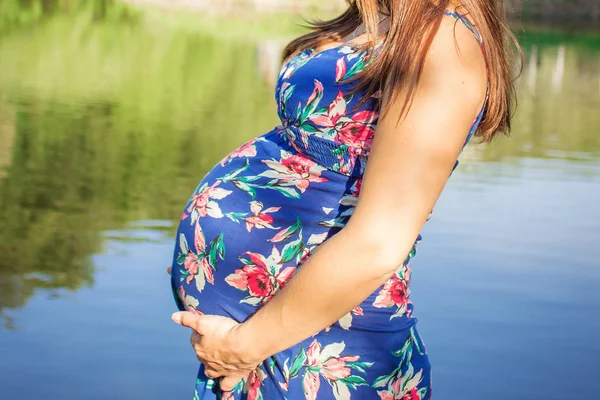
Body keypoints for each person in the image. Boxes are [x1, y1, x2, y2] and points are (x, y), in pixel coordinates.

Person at [169, 0, 519, 398]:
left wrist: (241, 349)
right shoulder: (375, 19)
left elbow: (379, 242)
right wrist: (213, 249)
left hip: (320, 353)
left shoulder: (443, 43)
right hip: (273, 336)